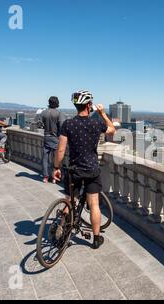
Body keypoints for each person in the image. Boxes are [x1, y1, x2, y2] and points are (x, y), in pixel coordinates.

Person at [53, 90, 115, 249]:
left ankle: (61, 230)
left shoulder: (68, 124)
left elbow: (60, 150)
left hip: (73, 170)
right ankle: (96, 239)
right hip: (91, 170)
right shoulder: (96, 123)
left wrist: (56, 167)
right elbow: (112, 130)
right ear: (88, 105)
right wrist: (102, 113)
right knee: (94, 204)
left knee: (69, 201)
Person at [40, 96, 65, 184]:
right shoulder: (59, 113)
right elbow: (62, 126)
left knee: (45, 158)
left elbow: (38, 123)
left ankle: (45, 177)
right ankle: (55, 178)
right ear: (57, 103)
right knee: (56, 159)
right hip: (55, 138)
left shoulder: (43, 113)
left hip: (46, 137)